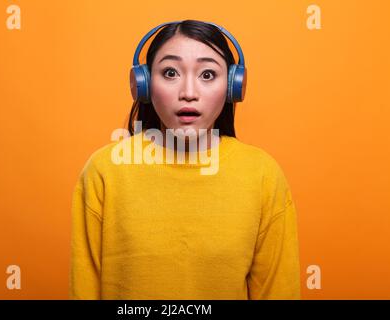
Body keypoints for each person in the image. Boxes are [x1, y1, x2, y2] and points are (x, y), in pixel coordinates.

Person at [69, 19, 301, 300]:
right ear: (142, 85)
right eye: (170, 72)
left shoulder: (262, 174)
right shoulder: (104, 171)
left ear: (232, 86)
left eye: (207, 75)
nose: (188, 93)